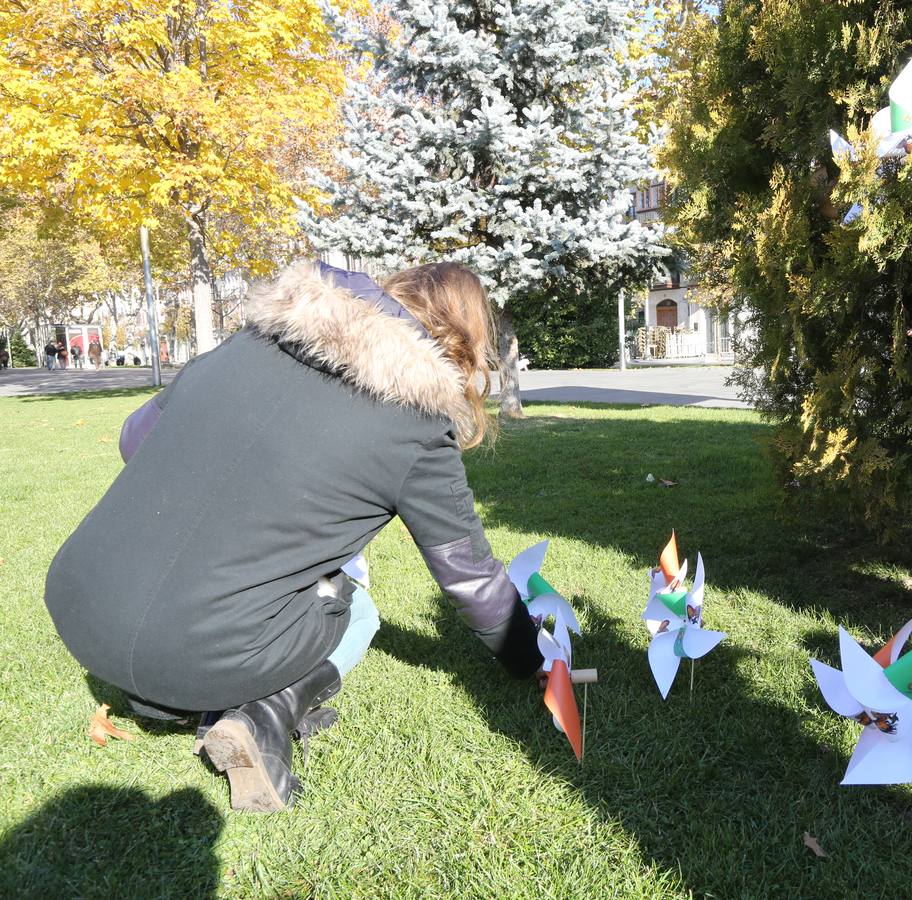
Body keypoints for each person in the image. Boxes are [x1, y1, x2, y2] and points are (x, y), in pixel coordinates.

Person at [45, 261, 541, 813]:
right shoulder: (417, 426)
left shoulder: (248, 343)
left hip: (79, 608)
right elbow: (470, 578)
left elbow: (133, 440)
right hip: (195, 652)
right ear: (464, 340)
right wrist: (530, 658)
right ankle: (266, 712)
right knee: (358, 605)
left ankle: (170, 693)